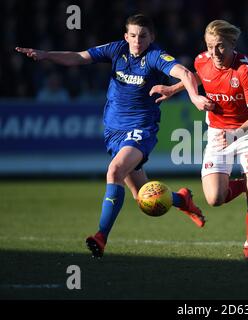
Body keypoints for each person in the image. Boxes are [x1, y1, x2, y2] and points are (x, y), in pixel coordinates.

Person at [16, 14, 215, 258]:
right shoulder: (116, 49)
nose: (137, 41)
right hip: (113, 131)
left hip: (141, 128)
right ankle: (181, 200)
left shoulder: (154, 56)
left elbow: (184, 71)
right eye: (132, 35)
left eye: (143, 36)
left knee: (114, 171)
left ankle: (101, 237)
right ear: (125, 36)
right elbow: (79, 57)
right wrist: (47, 55)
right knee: (143, 198)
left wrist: (194, 97)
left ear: (152, 37)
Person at [150, 20, 248, 261]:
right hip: (217, 132)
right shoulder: (201, 60)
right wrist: (173, 90)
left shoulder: (245, 71)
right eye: (210, 46)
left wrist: (236, 134)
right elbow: (197, 76)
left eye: (220, 47)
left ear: (232, 44)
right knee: (215, 199)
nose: (214, 53)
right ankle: (242, 183)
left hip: (246, 133)